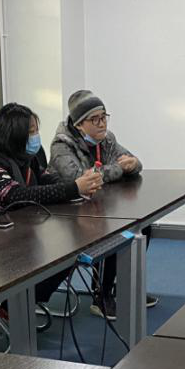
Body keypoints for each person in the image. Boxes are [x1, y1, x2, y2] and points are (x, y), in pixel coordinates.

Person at [0, 102, 102, 308]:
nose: (35, 137)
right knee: (57, 252)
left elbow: (44, 178)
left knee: (68, 251)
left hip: (19, 225)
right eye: (31, 132)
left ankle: (23, 303)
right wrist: (73, 188)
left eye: (36, 130)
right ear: (13, 134)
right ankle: (12, 307)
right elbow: (17, 195)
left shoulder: (21, 155)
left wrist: (76, 185)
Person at [49, 89, 154, 319]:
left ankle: (123, 288)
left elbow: (133, 162)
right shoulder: (61, 146)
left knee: (143, 227)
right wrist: (118, 169)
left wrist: (133, 164)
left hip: (98, 207)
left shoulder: (106, 139)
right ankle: (101, 295)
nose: (102, 123)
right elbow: (80, 180)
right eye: (94, 119)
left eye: (104, 117)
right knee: (114, 232)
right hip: (66, 215)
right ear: (79, 124)